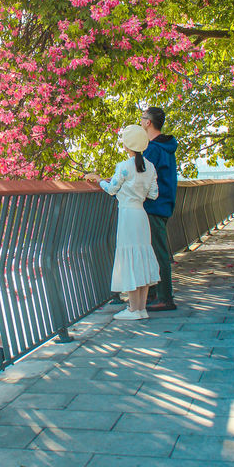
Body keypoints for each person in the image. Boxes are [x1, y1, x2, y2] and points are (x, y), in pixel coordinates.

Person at [88, 124, 160, 320]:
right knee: (141, 258)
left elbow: (112, 189)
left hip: (127, 216)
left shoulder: (124, 167)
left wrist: (98, 180)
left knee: (129, 259)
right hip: (141, 215)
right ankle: (141, 308)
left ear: (127, 146)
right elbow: (153, 194)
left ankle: (132, 309)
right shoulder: (150, 167)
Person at [141, 106, 178, 312]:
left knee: (158, 251)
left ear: (148, 122)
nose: (141, 121)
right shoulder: (166, 146)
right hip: (164, 202)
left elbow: (141, 175)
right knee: (155, 250)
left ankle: (164, 297)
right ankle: (156, 293)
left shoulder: (153, 149)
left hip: (155, 204)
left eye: (142, 118)